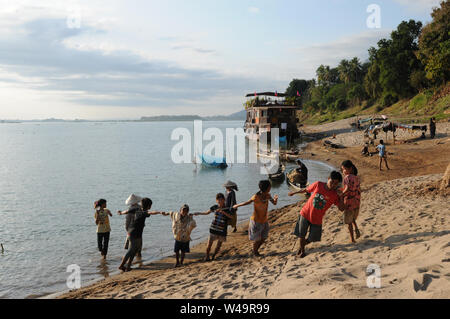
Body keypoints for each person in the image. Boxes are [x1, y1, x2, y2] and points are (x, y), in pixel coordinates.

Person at [289, 171, 345, 258]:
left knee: (313, 238)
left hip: (317, 218)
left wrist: (341, 197)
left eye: (336, 184)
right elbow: (306, 189)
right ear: (328, 179)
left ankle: (302, 245)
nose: (333, 185)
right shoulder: (318, 184)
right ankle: (303, 251)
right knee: (302, 234)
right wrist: (295, 193)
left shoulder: (335, 195)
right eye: (332, 182)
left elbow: (341, 209)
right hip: (305, 213)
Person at [233, 180, 278, 257]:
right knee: (257, 239)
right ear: (267, 188)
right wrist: (237, 205)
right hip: (256, 221)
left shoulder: (268, 195)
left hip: (264, 220)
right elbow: (247, 202)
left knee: (263, 238)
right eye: (270, 186)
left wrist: (275, 199)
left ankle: (255, 250)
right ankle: (255, 252)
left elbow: (274, 203)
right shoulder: (256, 197)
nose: (270, 188)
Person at [117, 197, 161, 271]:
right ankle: (121, 266)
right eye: (150, 205)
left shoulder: (136, 209)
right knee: (131, 250)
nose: (151, 207)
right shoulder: (143, 212)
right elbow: (150, 212)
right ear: (148, 206)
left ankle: (128, 266)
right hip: (134, 233)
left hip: (134, 232)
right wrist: (159, 212)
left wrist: (121, 213)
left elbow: (127, 211)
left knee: (134, 250)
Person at [195, 193, 233, 261]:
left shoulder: (227, 208)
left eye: (221, 200)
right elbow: (207, 213)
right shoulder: (215, 207)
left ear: (224, 200)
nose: (220, 201)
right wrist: (198, 213)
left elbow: (231, 216)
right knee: (209, 244)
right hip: (214, 228)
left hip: (222, 230)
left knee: (218, 246)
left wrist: (223, 212)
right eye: (218, 200)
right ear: (216, 201)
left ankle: (214, 256)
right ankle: (207, 256)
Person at [341, 160, 361, 243]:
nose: (343, 171)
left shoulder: (347, 177)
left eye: (344, 169)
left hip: (349, 201)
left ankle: (352, 239)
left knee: (349, 221)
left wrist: (341, 194)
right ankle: (356, 228)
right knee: (352, 216)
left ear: (350, 169)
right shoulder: (356, 177)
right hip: (356, 200)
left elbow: (347, 188)